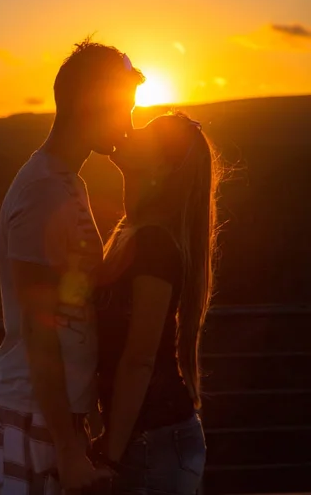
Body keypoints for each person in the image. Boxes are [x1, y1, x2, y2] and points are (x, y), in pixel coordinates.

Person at [0, 38, 145, 494]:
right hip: (29, 417)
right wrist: (68, 450)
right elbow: (38, 328)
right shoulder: (42, 191)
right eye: (123, 109)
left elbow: (66, 294)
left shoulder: (67, 183)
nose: (129, 126)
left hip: (52, 418)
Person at [93, 112, 220, 495]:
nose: (131, 129)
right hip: (151, 437)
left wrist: (110, 457)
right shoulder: (133, 233)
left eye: (147, 134)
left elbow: (139, 359)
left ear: (162, 168)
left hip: (155, 442)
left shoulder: (154, 245)